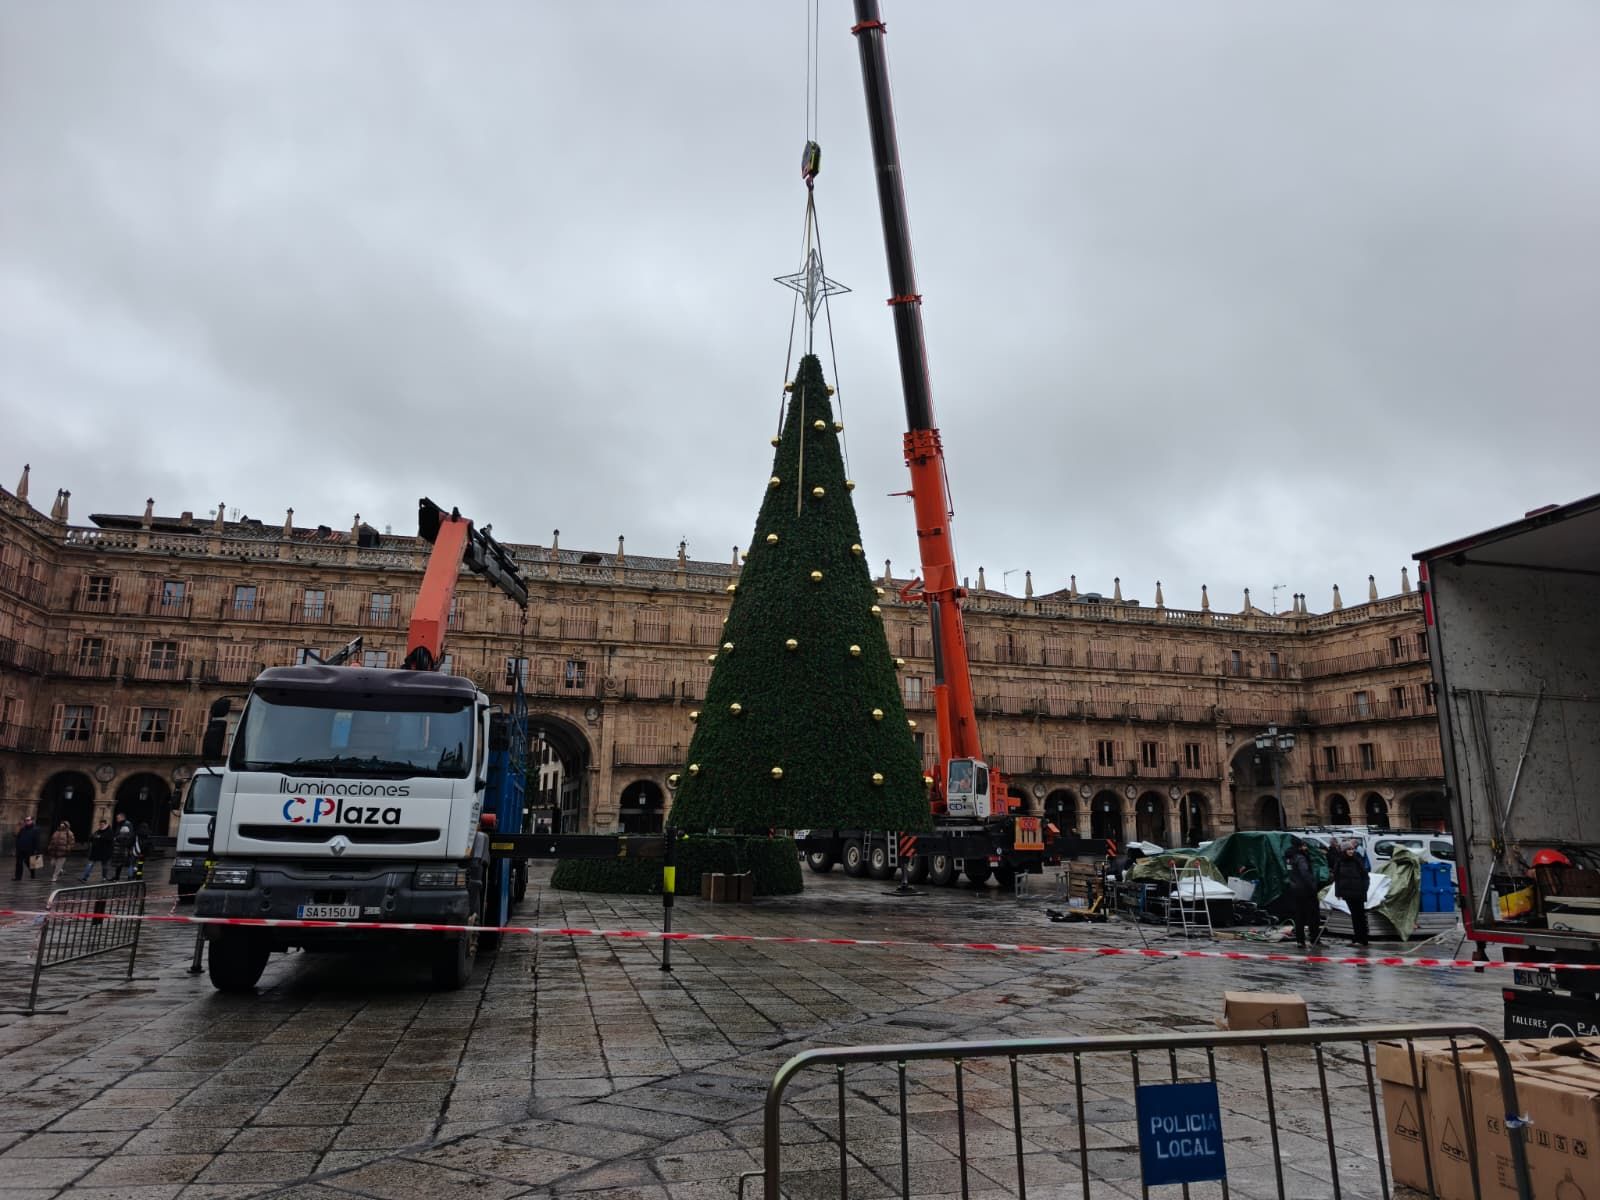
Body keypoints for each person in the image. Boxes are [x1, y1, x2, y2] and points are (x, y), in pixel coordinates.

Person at [1332, 840, 1372, 946]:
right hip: (1348, 893)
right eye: (1348, 849)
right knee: (1354, 916)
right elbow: (1337, 878)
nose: (1351, 851)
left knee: (1360, 916)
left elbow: (1365, 876)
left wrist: (1364, 888)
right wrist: (1338, 893)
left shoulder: (1357, 860)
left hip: (1358, 892)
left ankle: (1363, 938)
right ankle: (1357, 937)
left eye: (1352, 849)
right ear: (1344, 851)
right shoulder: (1339, 862)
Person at [1284, 840, 1321, 950]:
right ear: (1300, 847)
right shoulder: (1300, 858)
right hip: (1306, 890)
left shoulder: (1289, 858)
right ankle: (1314, 938)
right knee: (1313, 915)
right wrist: (1313, 886)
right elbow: (1305, 873)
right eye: (1305, 846)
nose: (1306, 848)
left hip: (1295, 890)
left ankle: (1300, 941)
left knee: (1299, 916)